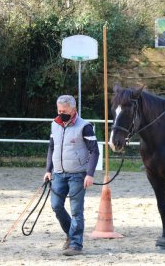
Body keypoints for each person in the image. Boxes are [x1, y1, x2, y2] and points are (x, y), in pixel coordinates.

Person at [44, 95, 100, 256]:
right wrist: (48, 170)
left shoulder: (85, 126)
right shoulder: (55, 124)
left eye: (64, 111)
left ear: (73, 110)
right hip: (58, 174)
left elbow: (94, 151)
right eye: (59, 110)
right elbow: (51, 147)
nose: (61, 113)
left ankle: (76, 244)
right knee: (56, 205)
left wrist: (90, 174)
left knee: (76, 211)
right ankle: (70, 233)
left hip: (77, 174)